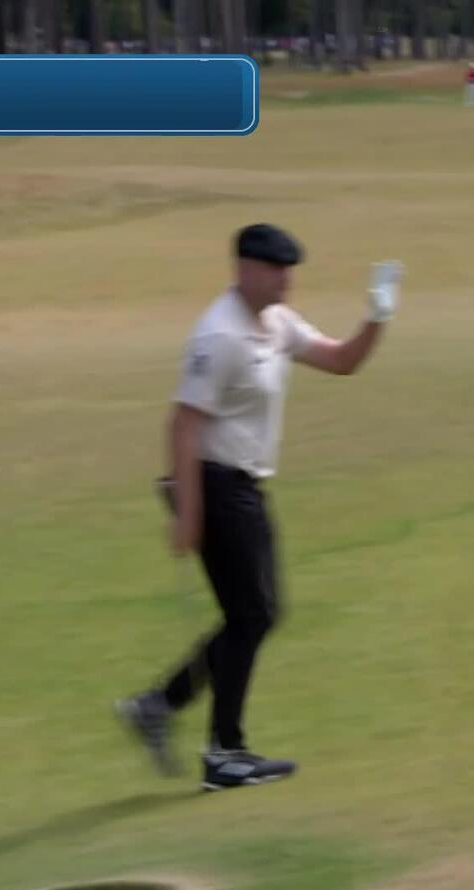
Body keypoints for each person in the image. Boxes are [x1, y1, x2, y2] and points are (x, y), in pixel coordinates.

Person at [117, 224, 405, 792]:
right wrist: (187, 514)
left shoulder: (275, 323)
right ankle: (223, 750)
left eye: (290, 270)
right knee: (254, 615)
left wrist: (377, 317)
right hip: (215, 485)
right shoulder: (218, 336)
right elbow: (183, 423)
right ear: (245, 269)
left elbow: (341, 361)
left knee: (253, 616)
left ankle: (160, 705)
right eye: (277, 270)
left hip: (246, 487)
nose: (287, 280)